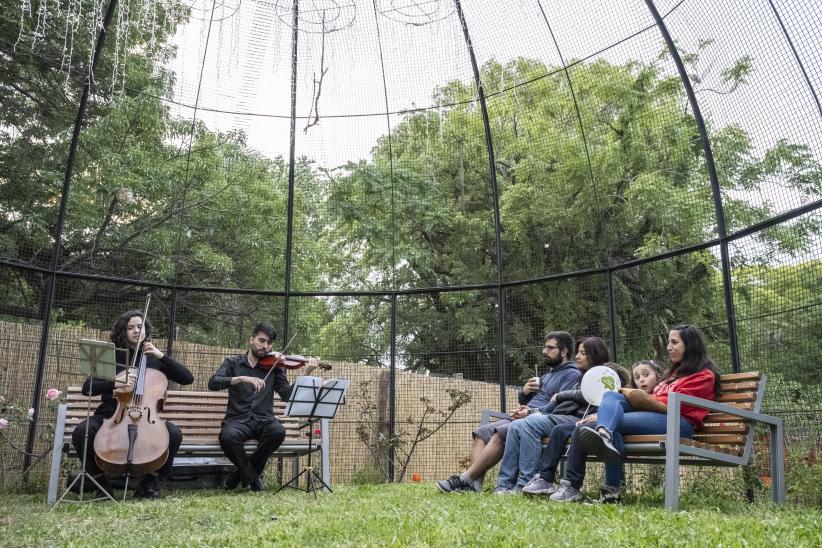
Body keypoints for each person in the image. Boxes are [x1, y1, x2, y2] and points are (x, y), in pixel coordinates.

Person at [550, 324, 720, 502]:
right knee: (610, 397)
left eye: (674, 342)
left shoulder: (703, 375)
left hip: (678, 422)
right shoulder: (674, 373)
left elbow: (678, 404)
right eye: (669, 342)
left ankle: (604, 445)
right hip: (654, 415)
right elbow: (654, 399)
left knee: (599, 423)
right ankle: (586, 486)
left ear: (690, 345)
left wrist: (612, 412)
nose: (668, 347)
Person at [71, 309, 194, 499]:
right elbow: (88, 388)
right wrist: (115, 383)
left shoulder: (154, 358)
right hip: (111, 415)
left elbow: (187, 378)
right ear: (123, 331)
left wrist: (162, 356)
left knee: (174, 434)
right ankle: (102, 488)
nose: (136, 331)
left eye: (140, 326)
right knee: (81, 432)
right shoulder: (112, 355)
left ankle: (148, 486)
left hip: (146, 418)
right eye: (131, 327)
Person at [436, 331, 579, 494]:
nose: (544, 351)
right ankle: (474, 485)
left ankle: (465, 479)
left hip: (537, 420)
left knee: (499, 433)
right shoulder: (547, 375)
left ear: (564, 351)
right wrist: (524, 392)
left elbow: (561, 406)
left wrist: (531, 413)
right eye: (544, 347)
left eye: (550, 348)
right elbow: (526, 401)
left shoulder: (571, 374)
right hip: (525, 417)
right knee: (481, 433)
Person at [493, 337, 617, 494]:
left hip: (579, 420)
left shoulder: (605, 374)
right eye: (578, 352)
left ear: (596, 354)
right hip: (562, 417)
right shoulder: (581, 374)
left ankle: (525, 482)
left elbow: (587, 396)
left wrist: (561, 395)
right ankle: (504, 484)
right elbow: (556, 405)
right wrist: (531, 411)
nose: (577, 356)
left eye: (583, 353)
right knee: (516, 425)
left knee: (530, 423)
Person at [208, 322, 321, 491]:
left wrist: (306, 373)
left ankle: (238, 475)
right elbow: (213, 383)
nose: (265, 346)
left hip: (264, 420)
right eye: (261, 340)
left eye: (269, 343)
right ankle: (254, 479)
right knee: (227, 437)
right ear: (251, 340)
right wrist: (240, 378)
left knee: (278, 431)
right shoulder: (233, 363)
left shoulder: (275, 368)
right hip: (238, 420)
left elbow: (287, 396)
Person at [522, 360, 655, 502]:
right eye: (637, 377)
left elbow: (618, 411)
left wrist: (599, 417)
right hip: (598, 426)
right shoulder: (624, 394)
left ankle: (575, 486)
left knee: (582, 430)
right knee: (560, 430)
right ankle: (545, 478)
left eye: (646, 374)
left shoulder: (629, 395)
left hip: (614, 430)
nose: (641, 379)